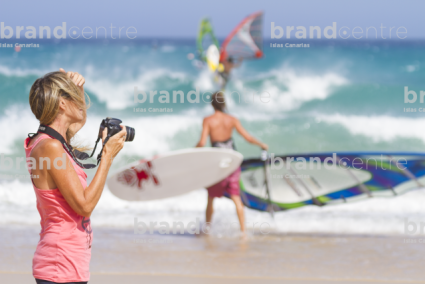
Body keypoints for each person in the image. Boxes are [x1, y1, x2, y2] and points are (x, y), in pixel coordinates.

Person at [24, 69, 126, 284]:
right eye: (73, 97)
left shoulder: (50, 141)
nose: (82, 103)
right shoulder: (51, 147)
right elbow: (84, 205)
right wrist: (107, 156)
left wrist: (77, 89)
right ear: (62, 103)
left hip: (66, 266)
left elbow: (78, 121)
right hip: (59, 266)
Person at [196, 92, 268, 234]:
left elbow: (202, 142)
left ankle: (207, 229)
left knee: (211, 198)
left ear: (212, 104)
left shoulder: (208, 120)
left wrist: (192, 151)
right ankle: (243, 232)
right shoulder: (232, 119)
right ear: (224, 103)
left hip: (217, 161)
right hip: (232, 160)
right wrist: (262, 144)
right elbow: (247, 137)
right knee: (236, 198)